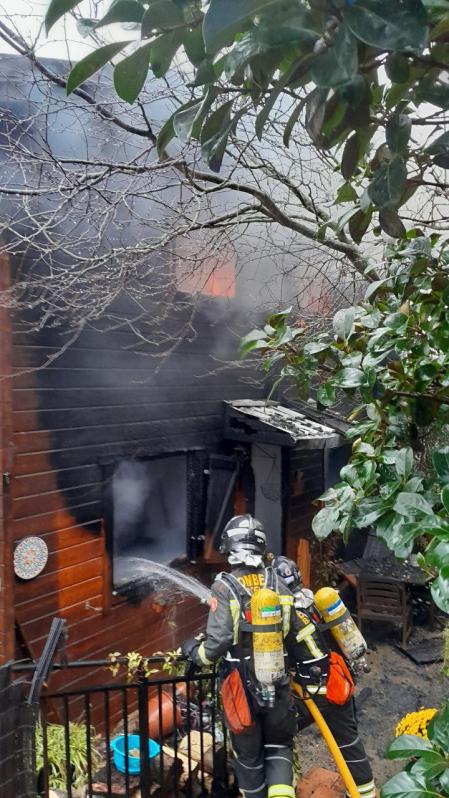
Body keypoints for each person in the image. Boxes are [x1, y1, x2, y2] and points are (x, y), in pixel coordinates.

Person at [182, 515, 302, 798]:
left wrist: (194, 654)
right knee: (279, 748)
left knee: (248, 759)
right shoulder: (277, 582)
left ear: (230, 546)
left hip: (241, 688)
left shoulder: (224, 587)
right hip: (278, 680)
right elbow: (292, 628)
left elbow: (219, 642)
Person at [272, 556, 376, 798]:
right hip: (341, 681)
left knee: (276, 735)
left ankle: (282, 786)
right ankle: (365, 793)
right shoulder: (316, 600)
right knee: (349, 743)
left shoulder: (287, 615)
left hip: (316, 693)